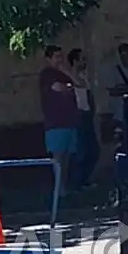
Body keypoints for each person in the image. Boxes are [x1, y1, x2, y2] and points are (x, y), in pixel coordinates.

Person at [38, 45, 79, 192]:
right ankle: (58, 190)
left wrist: (67, 74)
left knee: (67, 159)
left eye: (61, 56)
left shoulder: (64, 74)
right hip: (55, 123)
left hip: (70, 121)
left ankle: (65, 188)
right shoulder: (47, 74)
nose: (60, 60)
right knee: (58, 158)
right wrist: (68, 87)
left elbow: (78, 85)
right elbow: (59, 88)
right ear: (48, 59)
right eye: (56, 57)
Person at [67, 47, 100, 190]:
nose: (85, 62)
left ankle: (84, 180)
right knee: (81, 150)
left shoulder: (83, 77)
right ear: (75, 61)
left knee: (93, 150)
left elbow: (89, 96)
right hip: (78, 117)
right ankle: (76, 183)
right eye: (82, 59)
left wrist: (93, 110)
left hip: (87, 116)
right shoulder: (70, 78)